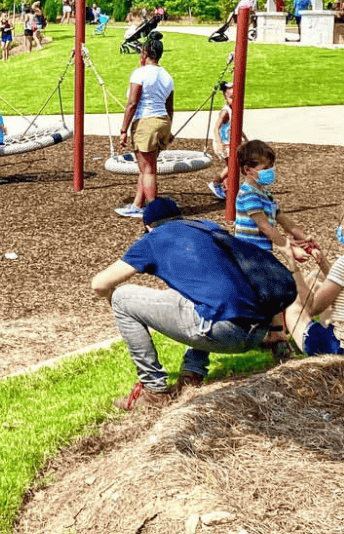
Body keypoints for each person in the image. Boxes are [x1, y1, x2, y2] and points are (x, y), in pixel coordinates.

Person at [92, 198, 286, 410]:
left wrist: (117, 305)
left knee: (122, 298)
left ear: (148, 226)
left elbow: (99, 284)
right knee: (196, 291)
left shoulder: (152, 239)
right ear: (181, 218)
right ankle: (192, 373)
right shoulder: (209, 228)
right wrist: (277, 331)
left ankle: (153, 391)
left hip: (223, 333)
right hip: (259, 331)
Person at [115, 36, 174, 218]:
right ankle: (137, 204)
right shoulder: (167, 76)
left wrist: (124, 130)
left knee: (148, 170)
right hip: (162, 120)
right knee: (146, 166)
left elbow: (132, 103)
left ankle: (153, 212)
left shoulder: (140, 73)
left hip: (146, 122)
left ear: (145, 53)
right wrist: (169, 130)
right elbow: (170, 107)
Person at [235, 139, 311, 253]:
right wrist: (288, 247)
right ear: (247, 170)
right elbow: (264, 227)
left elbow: (284, 221)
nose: (270, 171)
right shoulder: (249, 194)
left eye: (271, 167)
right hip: (248, 253)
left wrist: (306, 239)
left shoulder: (266, 194)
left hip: (263, 252)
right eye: (265, 168)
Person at [283, 223, 344, 357]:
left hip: (337, 351)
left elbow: (311, 307)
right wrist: (321, 259)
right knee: (319, 283)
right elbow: (338, 282)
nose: (340, 227)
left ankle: (278, 339)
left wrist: (291, 263)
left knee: (294, 307)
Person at [207, 82, 247, 201]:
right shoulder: (225, 112)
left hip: (230, 142)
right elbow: (215, 128)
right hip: (223, 143)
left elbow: (237, 126)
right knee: (234, 164)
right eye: (231, 98)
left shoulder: (234, 109)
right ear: (225, 97)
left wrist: (246, 138)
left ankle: (227, 188)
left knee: (231, 164)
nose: (233, 100)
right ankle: (215, 182)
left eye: (236, 98)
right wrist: (219, 143)